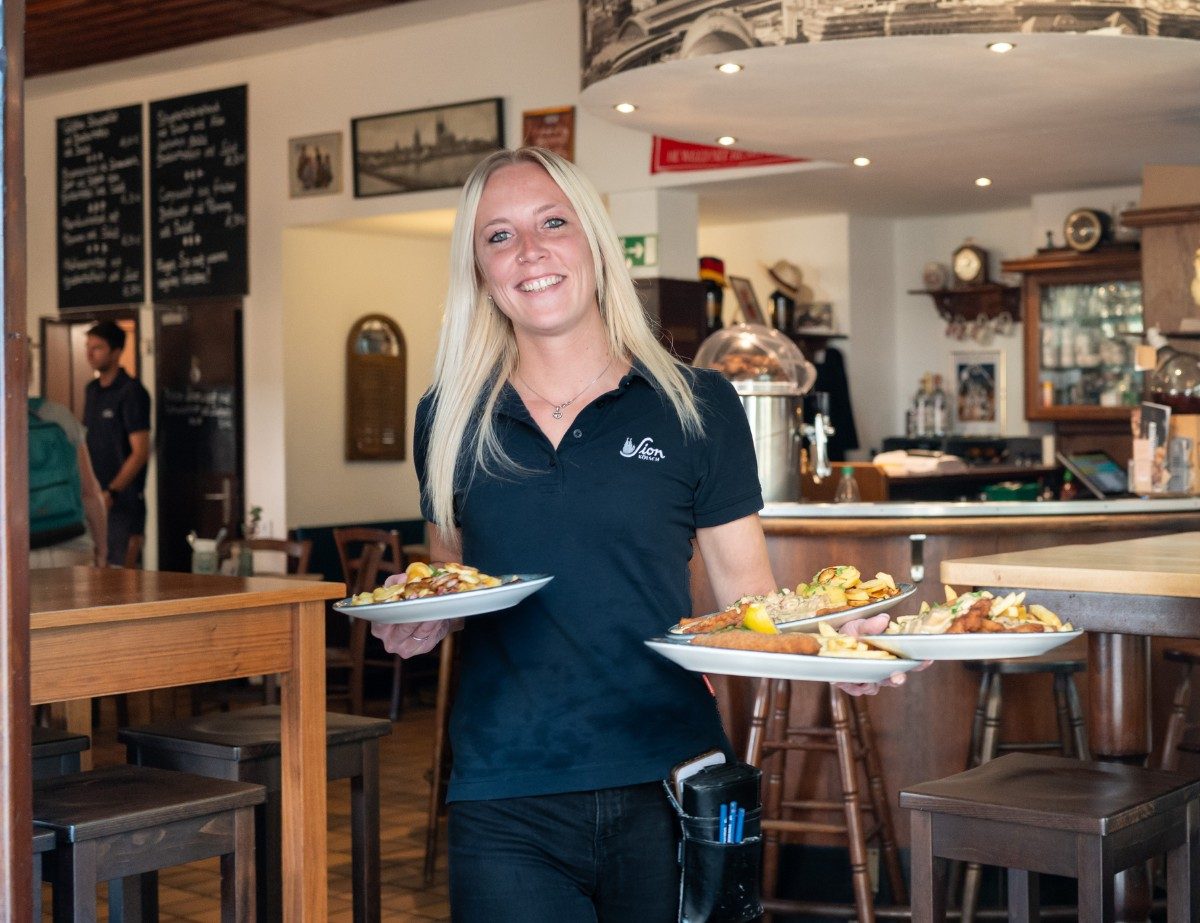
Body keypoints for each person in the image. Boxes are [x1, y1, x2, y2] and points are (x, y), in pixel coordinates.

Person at [372, 147, 903, 922]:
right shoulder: (448, 413)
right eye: (499, 235)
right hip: (505, 787)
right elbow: (449, 573)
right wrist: (416, 617)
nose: (531, 252)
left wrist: (835, 649)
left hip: (669, 775)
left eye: (553, 223)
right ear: (478, 267)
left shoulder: (697, 405)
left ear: (593, 240)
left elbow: (749, 599)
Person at [82, 320, 151, 566]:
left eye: (97, 347)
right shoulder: (91, 390)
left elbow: (141, 452)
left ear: (116, 351)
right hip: (93, 501)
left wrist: (111, 492)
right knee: (94, 575)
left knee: (122, 580)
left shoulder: (132, 392)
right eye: (87, 346)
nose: (90, 353)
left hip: (123, 503)